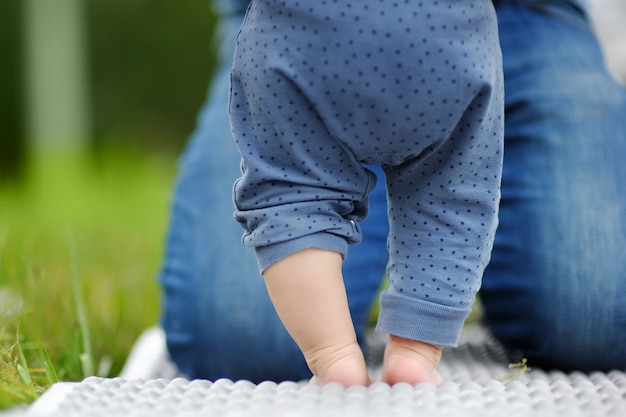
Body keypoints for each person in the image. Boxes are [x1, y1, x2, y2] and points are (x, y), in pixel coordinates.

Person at [159, 0, 626, 385]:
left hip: (307, 31)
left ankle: (333, 353)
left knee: (594, 318)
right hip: (450, 29)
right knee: (241, 341)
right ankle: (416, 348)